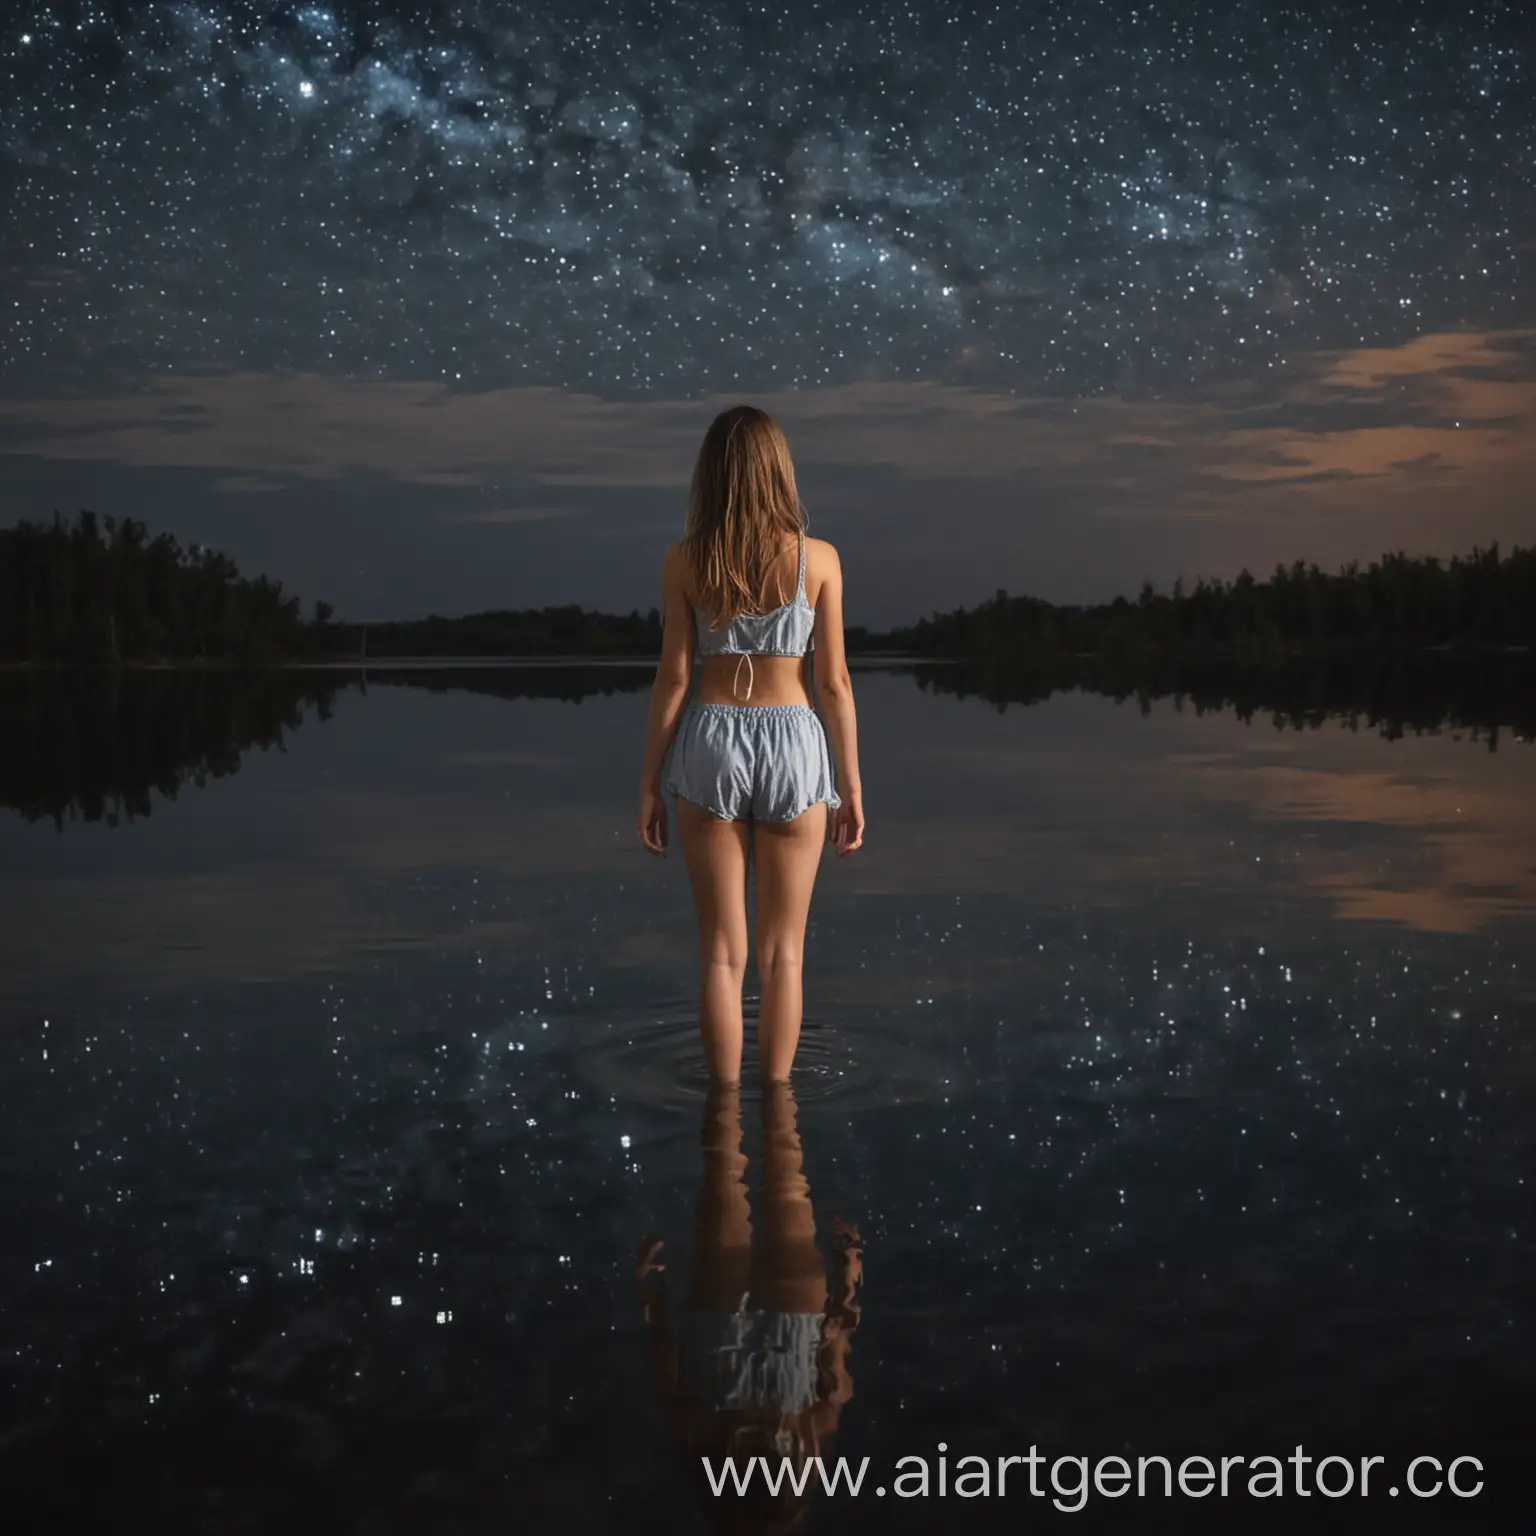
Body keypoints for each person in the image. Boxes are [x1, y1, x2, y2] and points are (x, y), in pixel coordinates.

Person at [637, 405, 864, 1084]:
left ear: (710, 475)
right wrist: (850, 787)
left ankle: (724, 1109)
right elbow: (835, 684)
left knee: (721, 955)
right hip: (794, 741)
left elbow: (675, 678)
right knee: (783, 954)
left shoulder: (684, 561)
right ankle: (779, 1111)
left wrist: (650, 782)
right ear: (779, 473)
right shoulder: (818, 560)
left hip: (710, 742)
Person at [635, 1082, 864, 1534]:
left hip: (791, 1337)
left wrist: (850, 1280)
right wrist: (650, 1295)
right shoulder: (702, 1458)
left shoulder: (802, 1468)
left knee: (786, 1170)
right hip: (718, 1334)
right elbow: (664, 1358)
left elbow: (835, 1376)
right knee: (724, 1165)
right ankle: (734, 1080)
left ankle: (768, 1081)